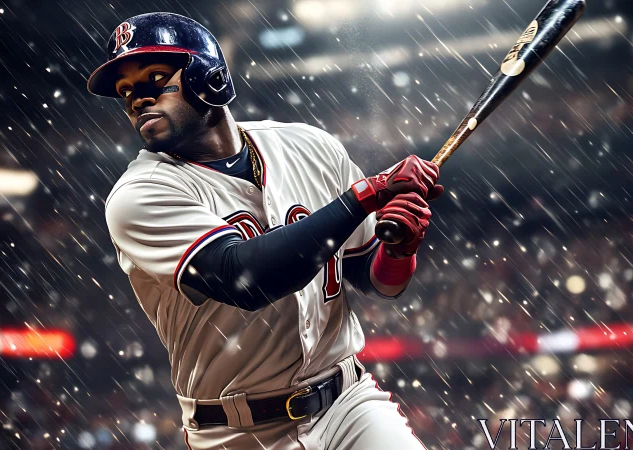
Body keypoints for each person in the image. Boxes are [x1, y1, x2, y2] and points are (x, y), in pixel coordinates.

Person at [88, 12, 443, 450]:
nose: (137, 99)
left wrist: (399, 250)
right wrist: (365, 195)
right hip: (237, 431)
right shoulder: (138, 195)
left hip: (347, 405)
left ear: (210, 77)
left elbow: (374, 280)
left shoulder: (309, 146)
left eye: (155, 78)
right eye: (126, 91)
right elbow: (246, 279)